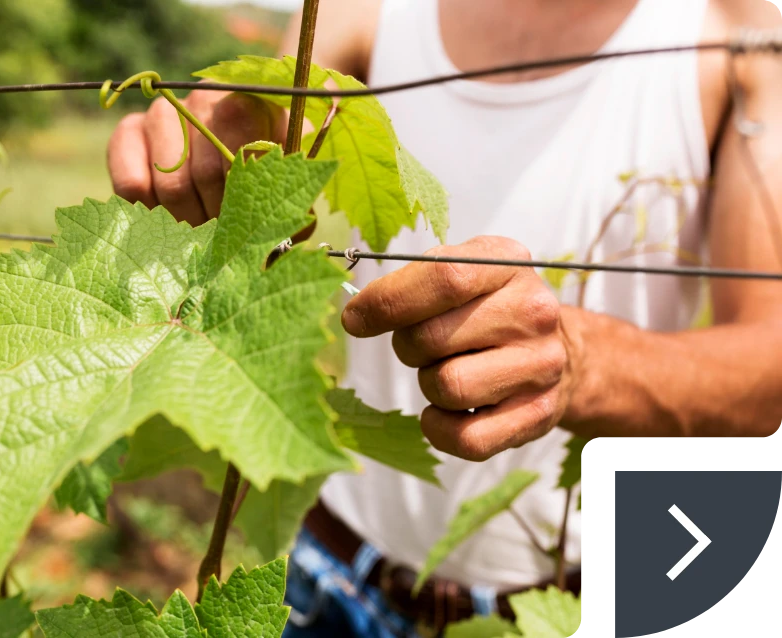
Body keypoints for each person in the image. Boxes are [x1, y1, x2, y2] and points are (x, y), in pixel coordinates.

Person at [107, 0, 782, 635]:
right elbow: (277, 155)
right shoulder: (362, 8)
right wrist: (215, 145)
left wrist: (583, 364)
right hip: (334, 573)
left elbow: (771, 369)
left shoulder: (738, 29)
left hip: (567, 605)